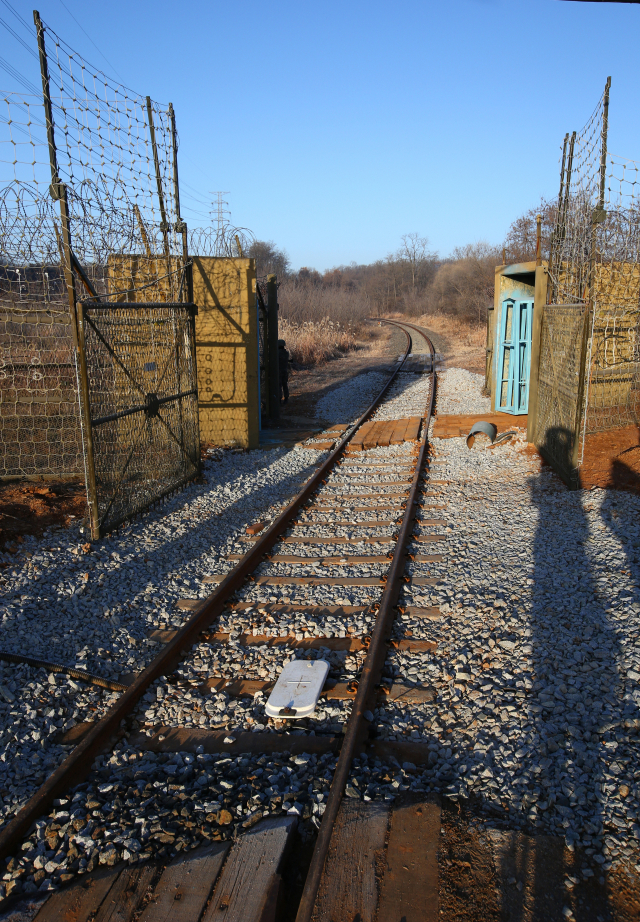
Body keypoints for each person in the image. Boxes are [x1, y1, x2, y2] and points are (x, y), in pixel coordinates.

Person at [278, 339, 290, 404]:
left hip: (279, 371)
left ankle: (279, 399)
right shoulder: (286, 353)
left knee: (279, 386)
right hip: (285, 371)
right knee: (285, 385)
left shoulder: (277, 353)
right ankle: (286, 398)